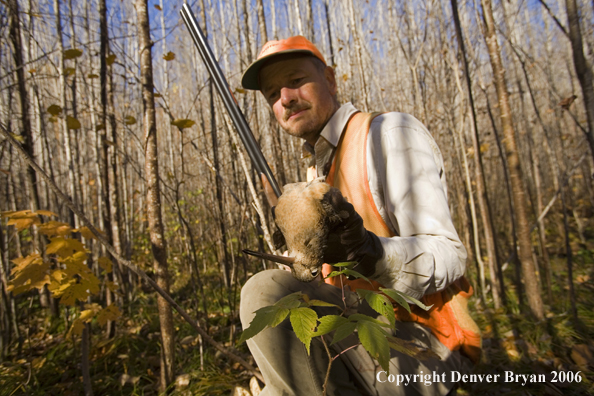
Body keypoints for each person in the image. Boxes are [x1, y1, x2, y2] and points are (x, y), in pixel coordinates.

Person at [239, 36, 481, 396]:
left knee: (264, 291)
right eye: (273, 94)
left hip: (431, 348)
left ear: (331, 80)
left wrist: (372, 253)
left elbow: (451, 255)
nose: (285, 98)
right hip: (358, 335)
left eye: (294, 80)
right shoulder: (315, 173)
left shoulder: (387, 134)